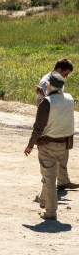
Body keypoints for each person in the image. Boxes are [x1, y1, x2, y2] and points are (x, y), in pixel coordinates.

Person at [25, 71, 76, 221]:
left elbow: (38, 127)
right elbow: (59, 109)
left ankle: (51, 212)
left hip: (48, 144)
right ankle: (43, 200)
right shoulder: (69, 99)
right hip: (65, 145)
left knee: (49, 178)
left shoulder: (46, 102)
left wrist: (30, 145)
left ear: (48, 84)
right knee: (50, 173)